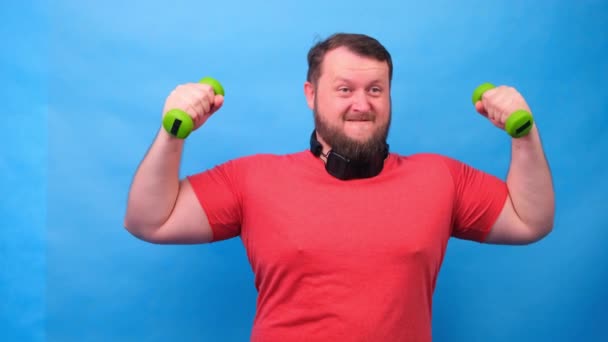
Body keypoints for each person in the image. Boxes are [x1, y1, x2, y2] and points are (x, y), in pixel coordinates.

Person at [124, 33, 555, 341]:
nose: (361, 103)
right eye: (344, 89)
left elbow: (529, 221)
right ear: (311, 95)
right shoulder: (253, 179)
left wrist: (524, 134)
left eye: (375, 89)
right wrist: (173, 135)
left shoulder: (440, 178)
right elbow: (150, 221)